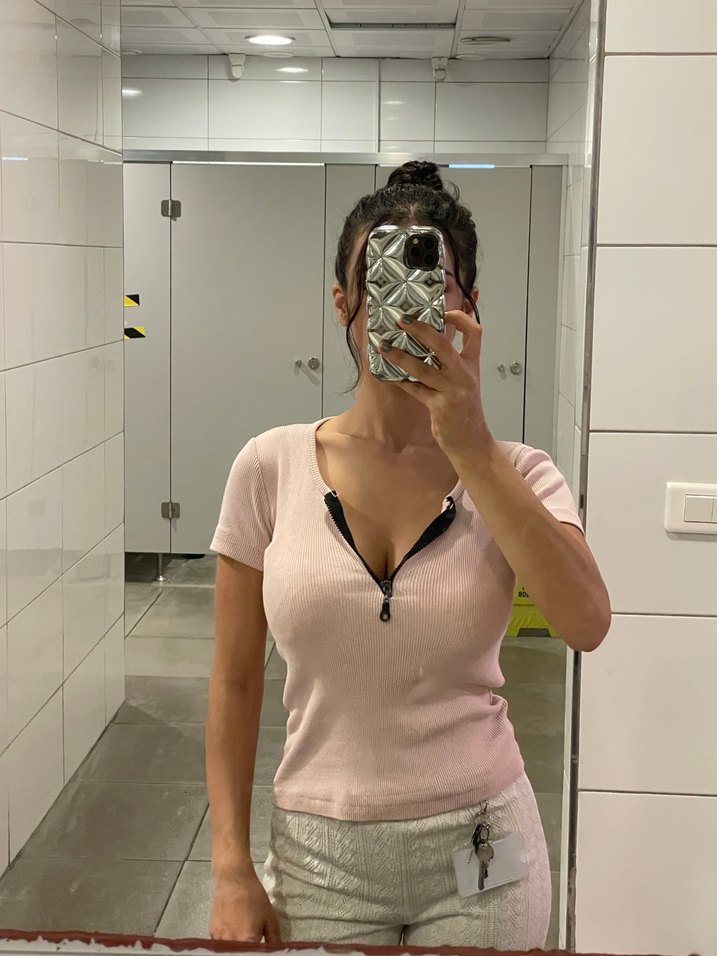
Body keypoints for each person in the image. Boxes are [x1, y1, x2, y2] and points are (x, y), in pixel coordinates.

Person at [206, 161, 611, 949]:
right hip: (318, 851)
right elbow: (234, 680)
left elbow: (585, 624)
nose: (400, 305)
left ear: (466, 305)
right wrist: (229, 867)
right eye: (378, 280)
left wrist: (473, 447)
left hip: (482, 845)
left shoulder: (517, 472)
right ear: (342, 302)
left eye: (430, 283)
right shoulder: (269, 467)